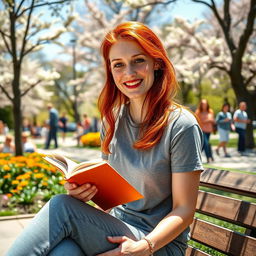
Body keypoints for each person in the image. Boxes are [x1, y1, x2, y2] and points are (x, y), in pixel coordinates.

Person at [7, 21, 203, 256]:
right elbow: (114, 196)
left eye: (138, 60)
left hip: (158, 244)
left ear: (157, 62)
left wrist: (142, 247)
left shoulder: (181, 125)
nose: (129, 73)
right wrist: (86, 193)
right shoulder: (112, 121)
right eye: (118, 64)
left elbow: (184, 210)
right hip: (118, 230)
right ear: (110, 70)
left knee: (61, 206)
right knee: (64, 251)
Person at [195, 99, 215, 163]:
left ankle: (196, 156)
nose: (204, 105)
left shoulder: (210, 111)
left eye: (205, 104)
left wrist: (211, 121)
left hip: (209, 130)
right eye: (203, 104)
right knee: (206, 144)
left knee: (204, 145)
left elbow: (213, 120)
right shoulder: (198, 112)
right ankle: (208, 157)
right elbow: (197, 121)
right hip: (202, 130)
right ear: (201, 105)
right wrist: (206, 121)